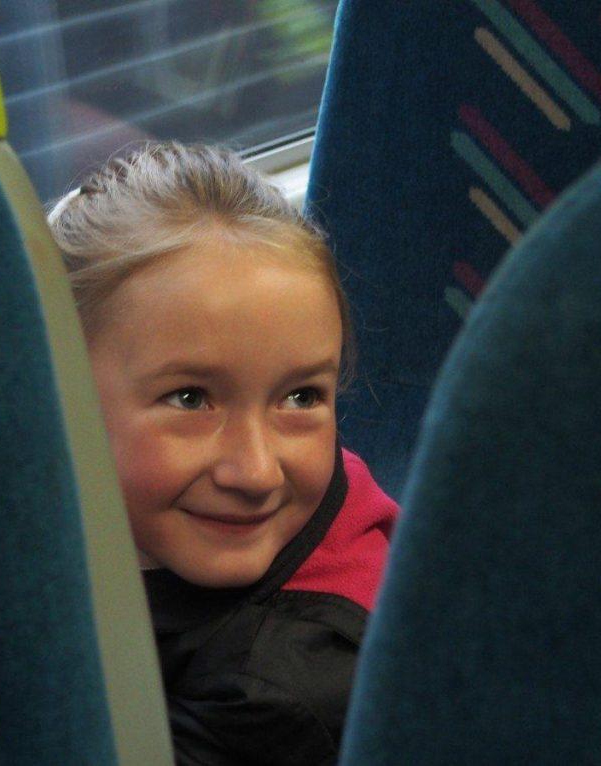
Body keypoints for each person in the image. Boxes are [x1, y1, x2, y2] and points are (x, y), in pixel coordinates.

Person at [49, 142, 399, 766]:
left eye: (300, 397)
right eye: (191, 400)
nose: (257, 472)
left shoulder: (281, 688)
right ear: (61, 396)